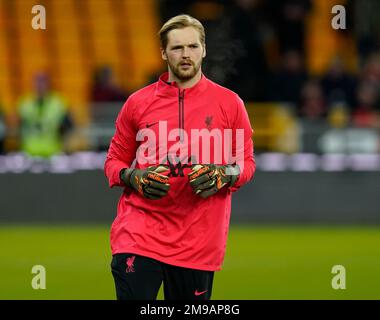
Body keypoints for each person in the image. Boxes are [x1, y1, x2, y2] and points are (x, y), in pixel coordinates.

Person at [104, 14, 255, 300]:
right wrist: (132, 176)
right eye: (177, 48)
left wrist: (227, 174)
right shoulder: (137, 103)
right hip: (139, 234)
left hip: (198, 242)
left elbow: (246, 163)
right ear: (163, 52)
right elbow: (113, 162)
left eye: (193, 46)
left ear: (204, 49)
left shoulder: (230, 103)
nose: (186, 55)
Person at [18, 72, 72, 157]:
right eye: (37, 82)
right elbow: (17, 128)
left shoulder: (59, 103)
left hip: (53, 152)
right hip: (29, 152)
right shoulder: (25, 103)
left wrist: (64, 144)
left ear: (49, 83)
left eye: (43, 82)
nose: (40, 85)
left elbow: (69, 126)